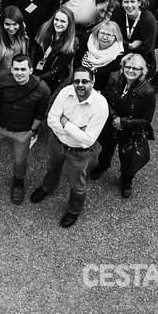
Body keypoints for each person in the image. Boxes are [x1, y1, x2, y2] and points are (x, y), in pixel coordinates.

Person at [30, 67, 110, 228]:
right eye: (76, 81)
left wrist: (66, 123)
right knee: (52, 168)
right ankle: (48, 187)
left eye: (85, 81)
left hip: (78, 153)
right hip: (56, 142)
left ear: (93, 82)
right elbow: (51, 120)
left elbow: (88, 140)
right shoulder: (66, 92)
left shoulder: (101, 106)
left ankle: (74, 210)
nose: (80, 85)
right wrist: (77, 130)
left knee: (77, 184)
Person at [0, 54, 51, 204]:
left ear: (31, 70)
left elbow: (40, 113)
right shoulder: (2, 78)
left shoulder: (42, 89)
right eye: (16, 69)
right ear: (11, 69)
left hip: (22, 130)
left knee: (20, 159)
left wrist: (32, 131)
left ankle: (18, 181)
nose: (19, 73)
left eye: (23, 69)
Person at [89, 53, 157, 198]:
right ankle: (102, 165)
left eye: (135, 68)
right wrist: (114, 118)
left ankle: (126, 181)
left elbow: (146, 120)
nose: (130, 71)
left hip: (130, 131)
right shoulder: (114, 78)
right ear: (123, 67)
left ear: (142, 71)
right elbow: (104, 99)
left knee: (128, 158)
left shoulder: (148, 92)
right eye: (128, 67)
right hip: (111, 123)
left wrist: (123, 122)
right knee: (106, 148)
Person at [0, 6, 31, 84]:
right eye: (7, 24)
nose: (11, 28)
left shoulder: (22, 33)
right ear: (2, 23)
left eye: (14, 24)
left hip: (15, 76)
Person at [115, 0, 158, 74]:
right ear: (121, 3)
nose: (129, 5)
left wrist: (123, 44)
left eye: (133, 1)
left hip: (140, 57)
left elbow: (145, 49)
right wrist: (129, 45)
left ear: (139, 2)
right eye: (126, 2)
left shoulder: (148, 20)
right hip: (119, 51)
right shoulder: (118, 12)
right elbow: (112, 35)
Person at [32, 7, 79, 90]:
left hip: (51, 80)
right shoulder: (44, 29)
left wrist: (38, 78)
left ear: (69, 23)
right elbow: (33, 51)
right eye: (56, 19)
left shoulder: (71, 43)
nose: (58, 23)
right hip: (33, 72)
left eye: (63, 21)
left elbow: (57, 70)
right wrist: (30, 70)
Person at [81, 19, 125, 93]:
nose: (104, 37)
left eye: (109, 35)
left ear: (115, 37)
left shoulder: (118, 57)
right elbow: (76, 63)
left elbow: (112, 83)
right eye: (102, 33)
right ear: (97, 33)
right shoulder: (87, 42)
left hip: (99, 92)